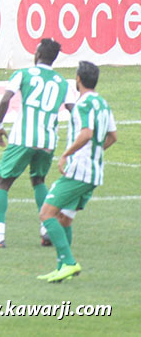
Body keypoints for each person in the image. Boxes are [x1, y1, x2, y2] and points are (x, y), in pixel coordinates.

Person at [0, 38, 73, 248]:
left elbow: (5, 100)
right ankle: (46, 231)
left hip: (23, 137)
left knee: (3, 182)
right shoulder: (62, 82)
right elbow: (74, 110)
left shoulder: (23, 74)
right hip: (48, 139)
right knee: (38, 180)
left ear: (38, 54)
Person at [37, 61, 116, 282]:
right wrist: (95, 153)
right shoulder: (103, 103)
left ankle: (69, 262)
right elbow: (112, 136)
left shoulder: (82, 105)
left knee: (46, 214)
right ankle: (63, 267)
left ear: (78, 80)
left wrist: (66, 154)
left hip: (78, 172)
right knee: (64, 219)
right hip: (94, 173)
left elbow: (86, 133)